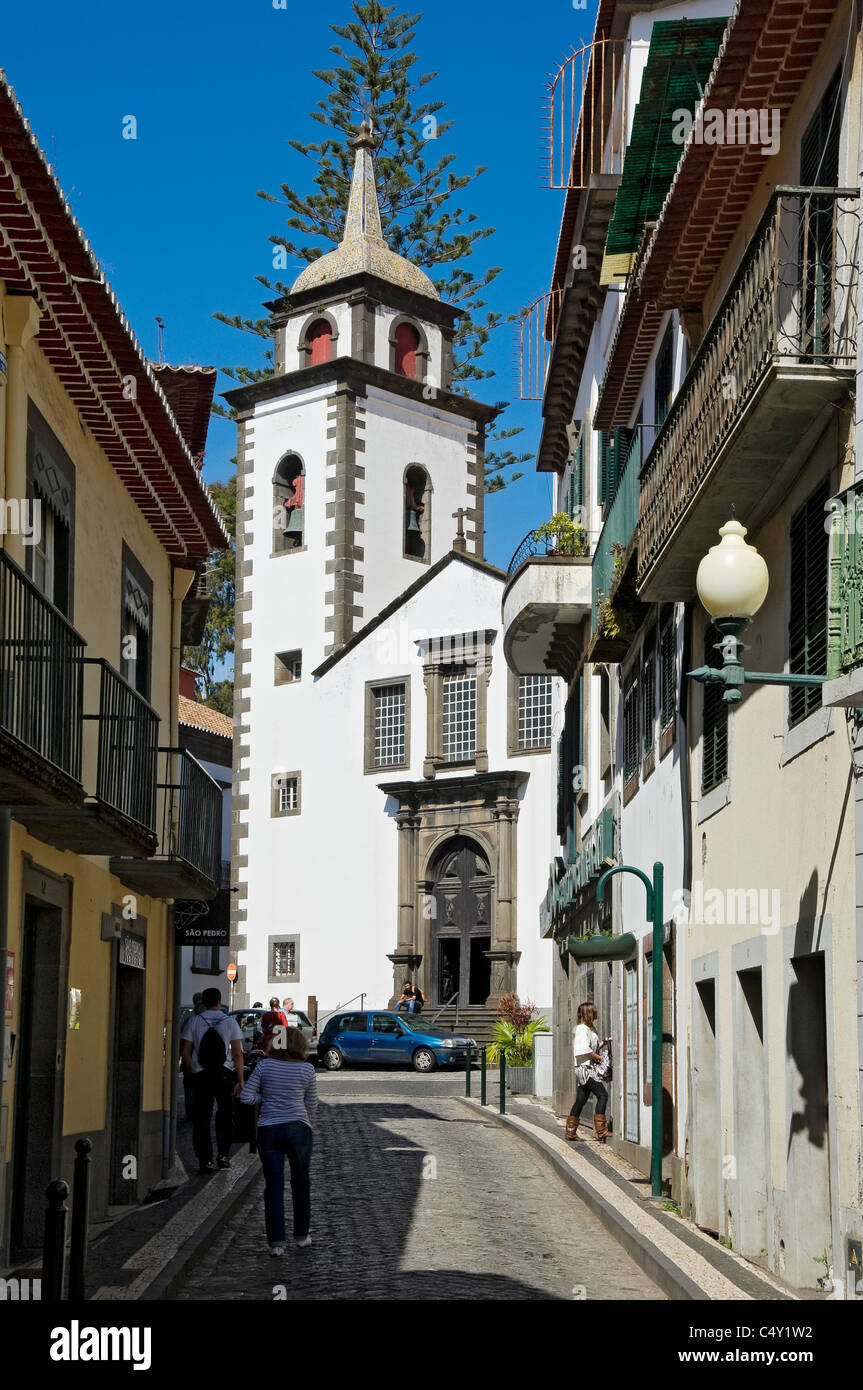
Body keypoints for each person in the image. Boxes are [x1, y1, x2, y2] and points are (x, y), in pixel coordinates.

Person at [240, 1026, 318, 1256]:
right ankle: (302, 1236)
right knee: (301, 1182)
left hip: (269, 1130)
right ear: (300, 1045)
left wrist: (267, 1097)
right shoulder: (307, 1070)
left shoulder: (264, 1066)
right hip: (298, 1129)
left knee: (273, 1186)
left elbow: (246, 1097)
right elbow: (312, 1105)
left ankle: (276, 1243)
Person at [180, 987, 245, 1174]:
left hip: (201, 1075)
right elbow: (237, 1054)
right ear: (219, 1001)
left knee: (202, 1119)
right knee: (225, 1115)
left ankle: (205, 1160)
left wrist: (191, 1072)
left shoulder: (194, 1021)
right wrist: (240, 1080)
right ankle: (223, 1155)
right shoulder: (230, 1022)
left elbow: (185, 1052)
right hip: (224, 1074)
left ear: (204, 1002)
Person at [565, 1002, 612, 1143]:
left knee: (581, 1099)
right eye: (594, 1011)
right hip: (585, 1069)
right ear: (589, 1014)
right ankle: (601, 1131)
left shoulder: (589, 1029)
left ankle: (570, 1132)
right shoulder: (582, 1029)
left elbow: (592, 1047)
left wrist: (603, 1043)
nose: (597, 1013)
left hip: (584, 1068)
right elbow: (583, 1050)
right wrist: (601, 1058)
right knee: (602, 1095)